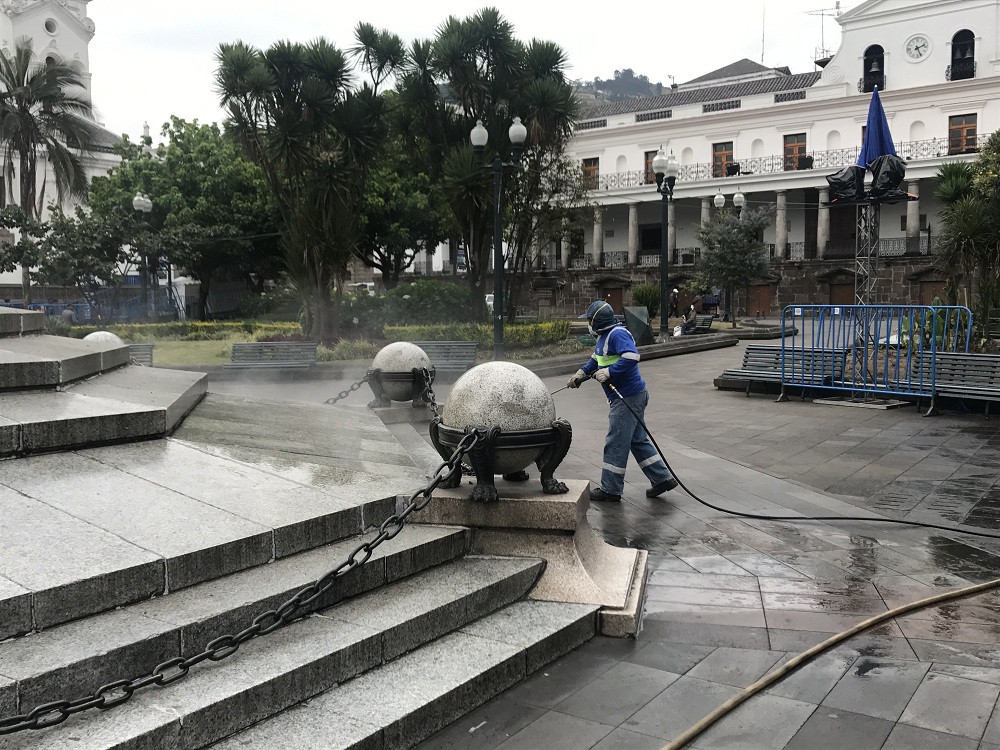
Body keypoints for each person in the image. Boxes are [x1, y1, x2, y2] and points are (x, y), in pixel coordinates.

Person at [566, 300, 678, 503]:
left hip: (627, 397)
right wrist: (581, 373)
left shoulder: (618, 334)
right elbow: (596, 359)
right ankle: (662, 478)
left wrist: (609, 372)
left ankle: (611, 489)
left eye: (590, 320)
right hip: (629, 396)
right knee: (637, 440)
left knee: (616, 442)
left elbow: (632, 356)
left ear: (598, 320)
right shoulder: (603, 336)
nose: (588, 324)